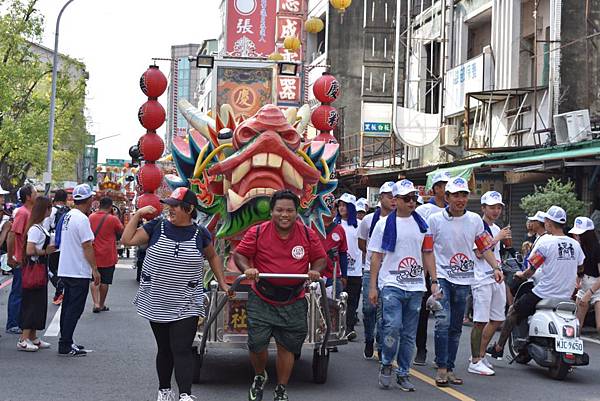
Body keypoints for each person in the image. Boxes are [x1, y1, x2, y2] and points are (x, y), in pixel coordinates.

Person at [121, 187, 228, 401]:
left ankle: (185, 394)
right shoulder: (156, 227)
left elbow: (213, 257)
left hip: (187, 301)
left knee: (181, 348)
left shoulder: (200, 233)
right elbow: (127, 240)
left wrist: (223, 283)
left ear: (188, 209)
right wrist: (138, 214)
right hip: (157, 299)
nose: (169, 209)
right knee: (165, 348)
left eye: (174, 206)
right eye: (168, 205)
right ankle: (164, 390)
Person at [234, 190, 326, 401]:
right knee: (257, 343)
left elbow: (320, 258)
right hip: (262, 297)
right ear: (272, 212)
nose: (284, 215)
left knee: (287, 346)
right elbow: (240, 254)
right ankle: (259, 375)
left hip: (293, 299)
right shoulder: (257, 232)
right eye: (280, 210)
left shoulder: (307, 234)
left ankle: (281, 388)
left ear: (296, 213)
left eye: (289, 211)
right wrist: (247, 268)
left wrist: (315, 270)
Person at [427, 177, 501, 387]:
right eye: (456, 195)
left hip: (464, 278)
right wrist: (433, 279)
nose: (460, 199)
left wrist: (496, 267)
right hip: (442, 276)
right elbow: (428, 250)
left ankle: (450, 368)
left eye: (464, 195)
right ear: (447, 197)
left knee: (455, 327)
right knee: (443, 322)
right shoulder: (435, 220)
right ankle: (441, 368)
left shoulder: (475, 220)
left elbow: (484, 246)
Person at [368, 180, 439, 392]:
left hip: (416, 287)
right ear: (395, 200)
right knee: (392, 326)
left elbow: (428, 253)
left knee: (409, 334)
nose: (411, 202)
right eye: (406, 199)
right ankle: (387, 363)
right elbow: (375, 257)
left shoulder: (422, 226)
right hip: (391, 284)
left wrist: (434, 281)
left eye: (414, 199)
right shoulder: (383, 224)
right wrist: (372, 287)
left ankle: (403, 373)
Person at [488, 206, 585, 358]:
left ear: (549, 223)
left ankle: (498, 348)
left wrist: (521, 275)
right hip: (566, 295)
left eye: (546, 220)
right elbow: (580, 268)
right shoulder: (575, 245)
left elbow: (531, 270)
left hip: (544, 293)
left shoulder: (546, 243)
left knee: (513, 311)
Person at [468, 191, 510, 376]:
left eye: (498, 207)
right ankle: (475, 359)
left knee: (498, 318)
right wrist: (498, 238)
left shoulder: (496, 228)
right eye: (492, 207)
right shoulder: (479, 227)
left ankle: (481, 355)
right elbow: (478, 253)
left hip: (496, 277)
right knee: (480, 320)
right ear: (483, 208)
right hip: (481, 278)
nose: (496, 211)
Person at [57, 184, 101, 357]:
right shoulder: (82, 219)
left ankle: (66, 341)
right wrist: (95, 269)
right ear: (89, 200)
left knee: (68, 307)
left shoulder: (69, 215)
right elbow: (87, 245)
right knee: (74, 309)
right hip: (77, 269)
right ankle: (65, 343)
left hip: (67, 268)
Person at [414, 171, 450, 365]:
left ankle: (443, 357)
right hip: (427, 267)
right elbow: (419, 240)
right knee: (423, 311)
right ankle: (421, 348)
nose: (446, 189)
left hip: (447, 269)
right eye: (443, 185)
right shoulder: (424, 211)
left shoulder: (453, 211)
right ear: (436, 188)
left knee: (445, 315)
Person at [358, 181, 396, 359]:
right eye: (389, 196)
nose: (393, 200)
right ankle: (368, 339)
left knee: (384, 312)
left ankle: (381, 346)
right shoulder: (368, 220)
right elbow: (362, 243)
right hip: (369, 271)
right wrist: (373, 259)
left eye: (396, 197)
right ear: (380, 198)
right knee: (368, 309)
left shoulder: (400, 219)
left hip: (389, 273)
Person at [18, 196, 54, 351]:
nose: (51, 210)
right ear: (44, 209)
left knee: (38, 303)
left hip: (40, 269)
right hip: (35, 268)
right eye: (49, 207)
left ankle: (32, 336)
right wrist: (45, 251)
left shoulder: (40, 227)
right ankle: (24, 338)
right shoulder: (34, 229)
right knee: (32, 303)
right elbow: (30, 250)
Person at [5, 184, 37, 335]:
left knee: (24, 292)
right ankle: (12, 323)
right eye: (35, 193)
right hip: (20, 259)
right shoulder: (23, 213)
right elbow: (12, 234)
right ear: (28, 197)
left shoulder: (30, 212)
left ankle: (19, 321)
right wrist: (12, 256)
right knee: (17, 292)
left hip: (26, 258)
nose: (37, 195)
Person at [89, 197, 124, 313]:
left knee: (94, 279)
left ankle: (96, 303)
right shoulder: (113, 219)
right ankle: (102, 303)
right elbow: (121, 230)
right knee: (105, 281)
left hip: (93, 254)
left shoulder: (91, 217)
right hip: (108, 255)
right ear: (110, 207)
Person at [571, 217, 600, 334]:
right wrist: (576, 281)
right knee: (576, 326)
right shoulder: (578, 248)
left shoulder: (598, 249)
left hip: (597, 287)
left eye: (579, 234)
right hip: (584, 285)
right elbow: (580, 270)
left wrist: (590, 293)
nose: (576, 236)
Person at [341, 194, 364, 341]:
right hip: (339, 270)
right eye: (340, 205)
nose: (341, 208)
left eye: (345, 205)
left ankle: (349, 328)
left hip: (355, 270)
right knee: (338, 301)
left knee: (352, 301)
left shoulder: (360, 224)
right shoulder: (336, 225)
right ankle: (338, 328)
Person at [319, 194, 348, 299]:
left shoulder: (340, 229)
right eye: (329, 207)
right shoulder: (311, 227)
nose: (333, 210)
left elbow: (343, 253)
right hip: (316, 275)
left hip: (334, 275)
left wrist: (344, 275)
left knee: (334, 309)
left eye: (334, 207)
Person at [43, 189, 69, 305]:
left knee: (50, 269)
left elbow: (45, 227)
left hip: (53, 244)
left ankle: (60, 285)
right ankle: (58, 294)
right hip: (66, 245)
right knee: (61, 269)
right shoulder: (69, 211)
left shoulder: (51, 211)